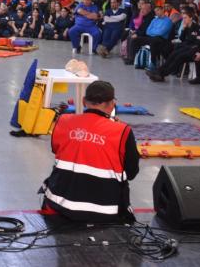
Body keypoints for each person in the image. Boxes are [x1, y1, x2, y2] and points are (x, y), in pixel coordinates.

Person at [40, 81, 139, 222]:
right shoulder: (122, 131)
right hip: (104, 213)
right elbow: (131, 172)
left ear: (83, 101)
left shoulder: (63, 121)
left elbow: (56, 150)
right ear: (112, 105)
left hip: (59, 208)